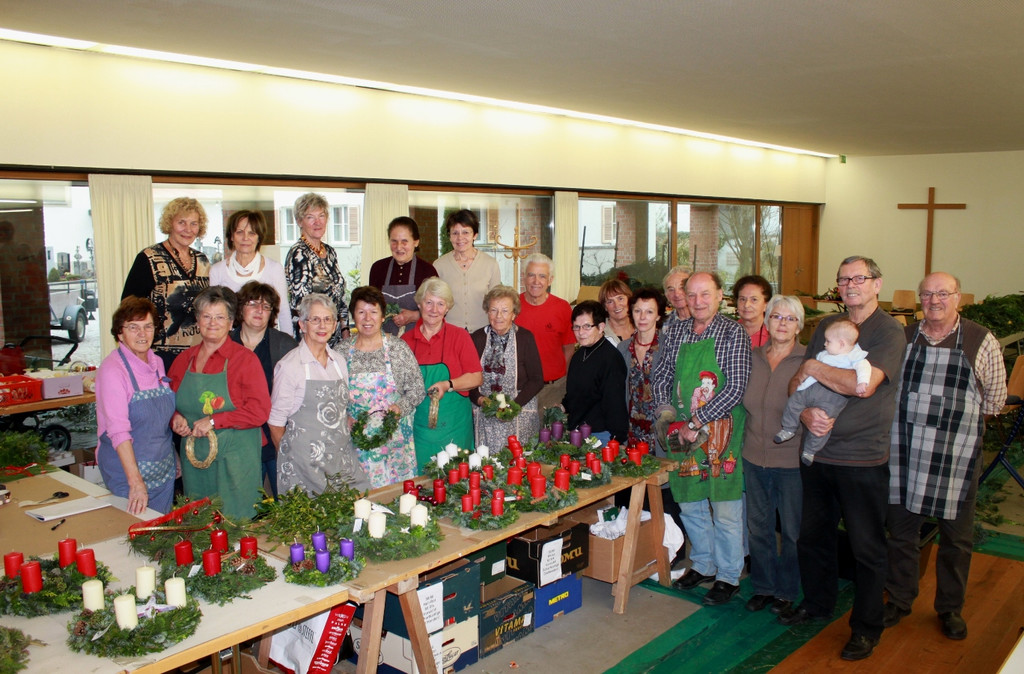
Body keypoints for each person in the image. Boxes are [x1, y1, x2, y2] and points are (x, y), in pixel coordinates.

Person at [778, 255, 905, 663]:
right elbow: (797, 384)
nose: (850, 285)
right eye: (843, 279)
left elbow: (861, 386)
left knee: (867, 547)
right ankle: (817, 604)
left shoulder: (888, 331)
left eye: (859, 278)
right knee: (813, 536)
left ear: (877, 284)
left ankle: (866, 627)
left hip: (863, 458)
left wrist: (816, 366)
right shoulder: (824, 329)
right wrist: (803, 412)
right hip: (817, 455)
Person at [884, 272, 1006, 641]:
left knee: (957, 538)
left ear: (959, 298)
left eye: (943, 293)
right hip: (906, 451)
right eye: (927, 294)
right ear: (919, 299)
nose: (934, 300)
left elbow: (995, 401)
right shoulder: (903, 337)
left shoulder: (980, 339)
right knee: (900, 534)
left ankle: (950, 608)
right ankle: (900, 599)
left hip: (957, 456)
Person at [652, 271, 751, 606]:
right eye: (691, 295)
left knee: (724, 507)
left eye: (705, 294)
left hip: (720, 431)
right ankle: (704, 564)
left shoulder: (732, 332)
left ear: (720, 295)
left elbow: (735, 387)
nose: (697, 302)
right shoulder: (675, 329)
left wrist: (696, 421)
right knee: (690, 501)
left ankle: (728, 575)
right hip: (681, 428)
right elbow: (662, 373)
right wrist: (665, 412)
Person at [168, 286, 271, 521]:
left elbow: (259, 412)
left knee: (235, 525)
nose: (212, 322)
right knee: (201, 523)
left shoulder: (245, 360)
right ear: (197, 320)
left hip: (235, 461)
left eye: (220, 317)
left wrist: (214, 420)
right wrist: (175, 417)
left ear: (231, 321)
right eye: (206, 316)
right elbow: (168, 401)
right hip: (195, 460)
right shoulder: (184, 360)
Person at [741, 295, 807, 615]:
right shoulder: (751, 357)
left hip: (791, 461)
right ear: (766, 322)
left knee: (793, 532)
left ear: (799, 326)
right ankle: (764, 587)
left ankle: (787, 589)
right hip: (753, 457)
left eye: (790, 318)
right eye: (777, 317)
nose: (782, 323)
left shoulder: (809, 362)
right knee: (759, 526)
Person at [269, 294, 369, 494]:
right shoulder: (290, 366)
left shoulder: (339, 362)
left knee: (360, 508)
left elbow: (339, 407)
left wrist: (346, 420)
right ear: (302, 325)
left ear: (334, 326)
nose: (322, 326)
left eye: (327, 320)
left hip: (342, 461)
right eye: (314, 319)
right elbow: (275, 422)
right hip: (305, 468)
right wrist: (293, 460)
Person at [95, 297, 178, 514]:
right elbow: (118, 431)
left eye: (147, 326)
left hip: (163, 473)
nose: (142, 334)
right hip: (129, 477)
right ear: (120, 333)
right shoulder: (112, 370)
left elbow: (159, 420)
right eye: (134, 327)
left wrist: (173, 456)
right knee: (133, 541)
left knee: (161, 539)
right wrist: (136, 483)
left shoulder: (157, 363)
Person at [345, 286, 424, 487]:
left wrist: (400, 408)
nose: (367, 318)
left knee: (397, 499)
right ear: (353, 316)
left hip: (395, 441)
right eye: (361, 312)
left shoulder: (398, 348)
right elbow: (334, 396)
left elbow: (417, 389)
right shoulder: (342, 351)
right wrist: (345, 417)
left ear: (382, 317)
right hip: (357, 441)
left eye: (373, 312)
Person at [122, 197, 211, 371]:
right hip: (159, 356)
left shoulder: (203, 261)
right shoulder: (148, 258)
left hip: (198, 353)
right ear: (170, 223)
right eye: (182, 222)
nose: (188, 229)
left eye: (194, 224)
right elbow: (128, 309)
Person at [402, 277, 483, 467]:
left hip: (455, 425)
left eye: (440, 304)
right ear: (419, 304)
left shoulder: (460, 336)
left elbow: (476, 377)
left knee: (455, 482)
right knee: (422, 480)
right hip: (419, 428)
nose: (434, 309)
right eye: (429, 302)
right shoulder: (405, 341)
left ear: (447, 308)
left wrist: (448, 384)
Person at [230, 281, 297, 499]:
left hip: (277, 433)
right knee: (246, 503)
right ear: (240, 309)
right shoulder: (226, 344)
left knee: (286, 499)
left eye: (266, 306)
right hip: (239, 437)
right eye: (253, 304)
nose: (260, 310)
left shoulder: (285, 344)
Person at [774, 319, 871, 464]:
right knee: (794, 401)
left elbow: (864, 368)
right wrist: (802, 386)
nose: (824, 344)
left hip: (833, 396)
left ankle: (810, 450)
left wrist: (863, 382)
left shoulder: (854, 357)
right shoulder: (824, 354)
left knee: (823, 423)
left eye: (828, 341)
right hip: (813, 388)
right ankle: (788, 428)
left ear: (842, 344)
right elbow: (809, 372)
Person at [470, 286, 544, 447]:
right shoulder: (476, 338)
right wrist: (480, 400)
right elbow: (468, 379)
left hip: (519, 411)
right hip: (485, 414)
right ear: (487, 312)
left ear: (514, 314)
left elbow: (537, 380)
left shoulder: (525, 338)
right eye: (493, 310)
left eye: (505, 311)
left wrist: (513, 406)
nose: (498, 316)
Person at [210, 210, 291, 334]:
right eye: (239, 232)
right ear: (231, 236)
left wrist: (288, 346)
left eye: (252, 233)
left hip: (265, 341)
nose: (245, 238)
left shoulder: (274, 268)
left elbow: (283, 311)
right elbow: (214, 313)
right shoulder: (217, 270)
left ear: (259, 238)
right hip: (229, 341)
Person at [284, 192, 348, 346]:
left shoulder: (330, 252)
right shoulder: (298, 254)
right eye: (310, 217)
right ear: (300, 221)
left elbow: (340, 296)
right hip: (313, 336)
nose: (317, 222)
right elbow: (301, 305)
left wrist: (345, 327)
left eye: (321, 216)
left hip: (334, 334)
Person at [514, 254, 575, 413]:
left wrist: (565, 383)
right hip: (519, 391)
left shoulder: (562, 308)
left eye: (542, 276)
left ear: (550, 280)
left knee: (550, 437)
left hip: (553, 389)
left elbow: (569, 348)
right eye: (531, 275)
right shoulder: (512, 306)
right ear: (524, 278)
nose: (536, 281)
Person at [563, 301, 628, 443]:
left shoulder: (611, 358)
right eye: (576, 327)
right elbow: (576, 393)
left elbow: (615, 404)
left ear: (601, 327)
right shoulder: (579, 355)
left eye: (587, 326)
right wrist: (563, 406)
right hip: (577, 431)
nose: (581, 333)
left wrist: (617, 440)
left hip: (601, 435)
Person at [433, 209, 502, 333]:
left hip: (483, 332)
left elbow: (496, 302)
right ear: (449, 236)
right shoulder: (439, 266)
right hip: (450, 332)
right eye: (455, 233)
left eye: (466, 232)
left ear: (475, 235)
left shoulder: (490, 264)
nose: (460, 238)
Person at [368, 216, 438, 335]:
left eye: (404, 241)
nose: (399, 247)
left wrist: (415, 315)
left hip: (418, 338)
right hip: (384, 341)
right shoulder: (378, 268)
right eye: (394, 241)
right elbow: (371, 306)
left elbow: (439, 310)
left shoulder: (427, 271)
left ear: (416, 242)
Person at [617, 287, 668, 446]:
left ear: (658, 315)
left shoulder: (668, 347)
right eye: (638, 311)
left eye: (649, 312)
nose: (643, 317)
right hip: (631, 427)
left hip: (659, 427)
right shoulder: (623, 348)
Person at [733, 275, 772, 347]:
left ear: (766, 305)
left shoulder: (773, 335)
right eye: (742, 299)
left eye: (754, 299)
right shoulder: (728, 332)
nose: (746, 305)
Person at [599, 278, 634, 345]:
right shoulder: (599, 334)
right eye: (610, 302)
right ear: (605, 307)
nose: (616, 305)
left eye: (620, 299)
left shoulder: (642, 326)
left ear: (629, 299)